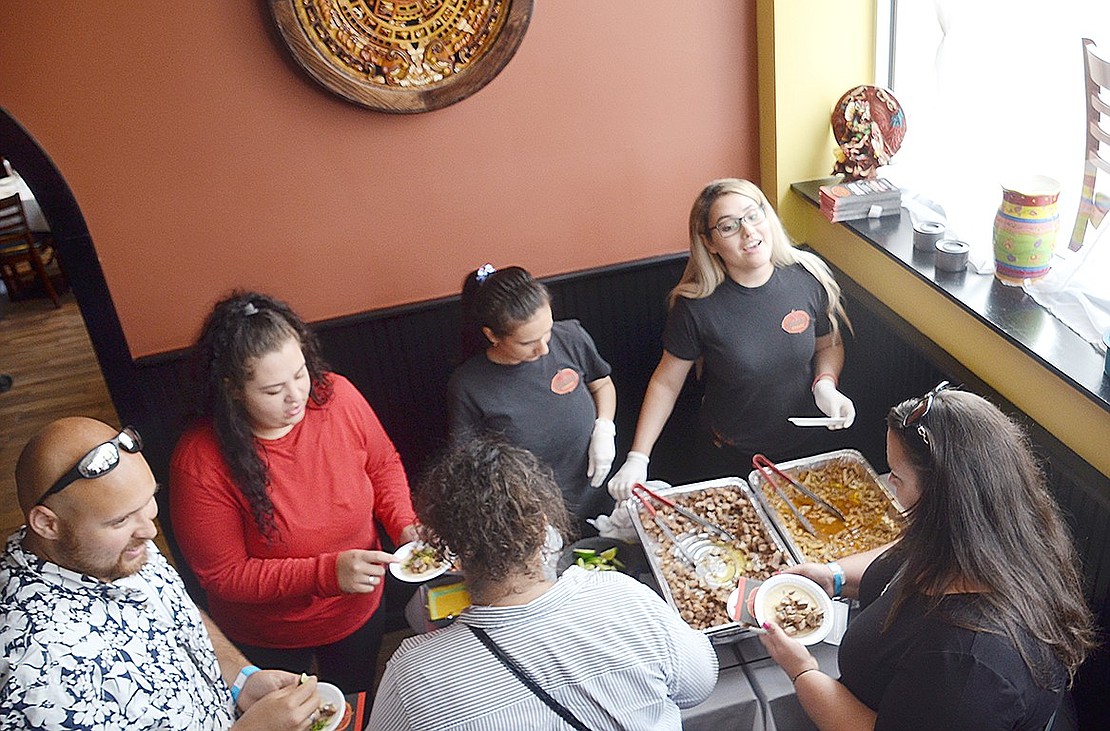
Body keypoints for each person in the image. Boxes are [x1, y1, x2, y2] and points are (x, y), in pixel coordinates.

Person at [758, 383, 1098, 730]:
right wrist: (834, 577)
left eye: (898, 476)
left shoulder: (969, 669)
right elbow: (900, 556)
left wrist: (803, 672)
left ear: (943, 501)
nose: (889, 483)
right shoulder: (985, 537)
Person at [368, 437, 718, 730]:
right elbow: (699, 685)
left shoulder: (412, 675)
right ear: (543, 528)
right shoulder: (625, 596)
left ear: (451, 556)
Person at [0, 416, 327, 730]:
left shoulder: (113, 549)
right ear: (47, 524)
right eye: (120, 520)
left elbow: (177, 612)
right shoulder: (37, 670)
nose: (149, 530)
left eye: (148, 502)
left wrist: (242, 680)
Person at [169, 291, 418, 693]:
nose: (296, 396)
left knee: (356, 699)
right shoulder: (200, 460)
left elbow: (382, 463)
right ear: (233, 389)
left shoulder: (337, 395)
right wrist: (326, 573)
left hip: (359, 607)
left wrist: (404, 524)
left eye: (300, 374)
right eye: (272, 390)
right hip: (268, 635)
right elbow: (223, 574)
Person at [608, 178, 856, 498]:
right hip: (731, 459)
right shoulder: (696, 307)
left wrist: (825, 384)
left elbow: (828, 342)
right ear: (709, 242)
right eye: (728, 226)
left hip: (806, 450)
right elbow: (666, 383)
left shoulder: (807, 277)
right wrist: (637, 458)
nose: (748, 231)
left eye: (753, 215)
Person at [447, 264, 617, 529]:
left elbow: (602, 384)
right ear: (492, 335)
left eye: (547, 331)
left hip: (600, 498)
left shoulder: (571, 337)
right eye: (528, 343)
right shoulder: (469, 384)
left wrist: (605, 428)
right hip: (532, 519)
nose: (544, 348)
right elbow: (470, 464)